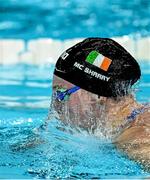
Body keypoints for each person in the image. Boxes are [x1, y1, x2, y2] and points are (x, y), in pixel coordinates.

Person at [49, 38, 150, 171]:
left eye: (61, 93)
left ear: (97, 95)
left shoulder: (137, 140)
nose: (55, 104)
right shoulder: (128, 123)